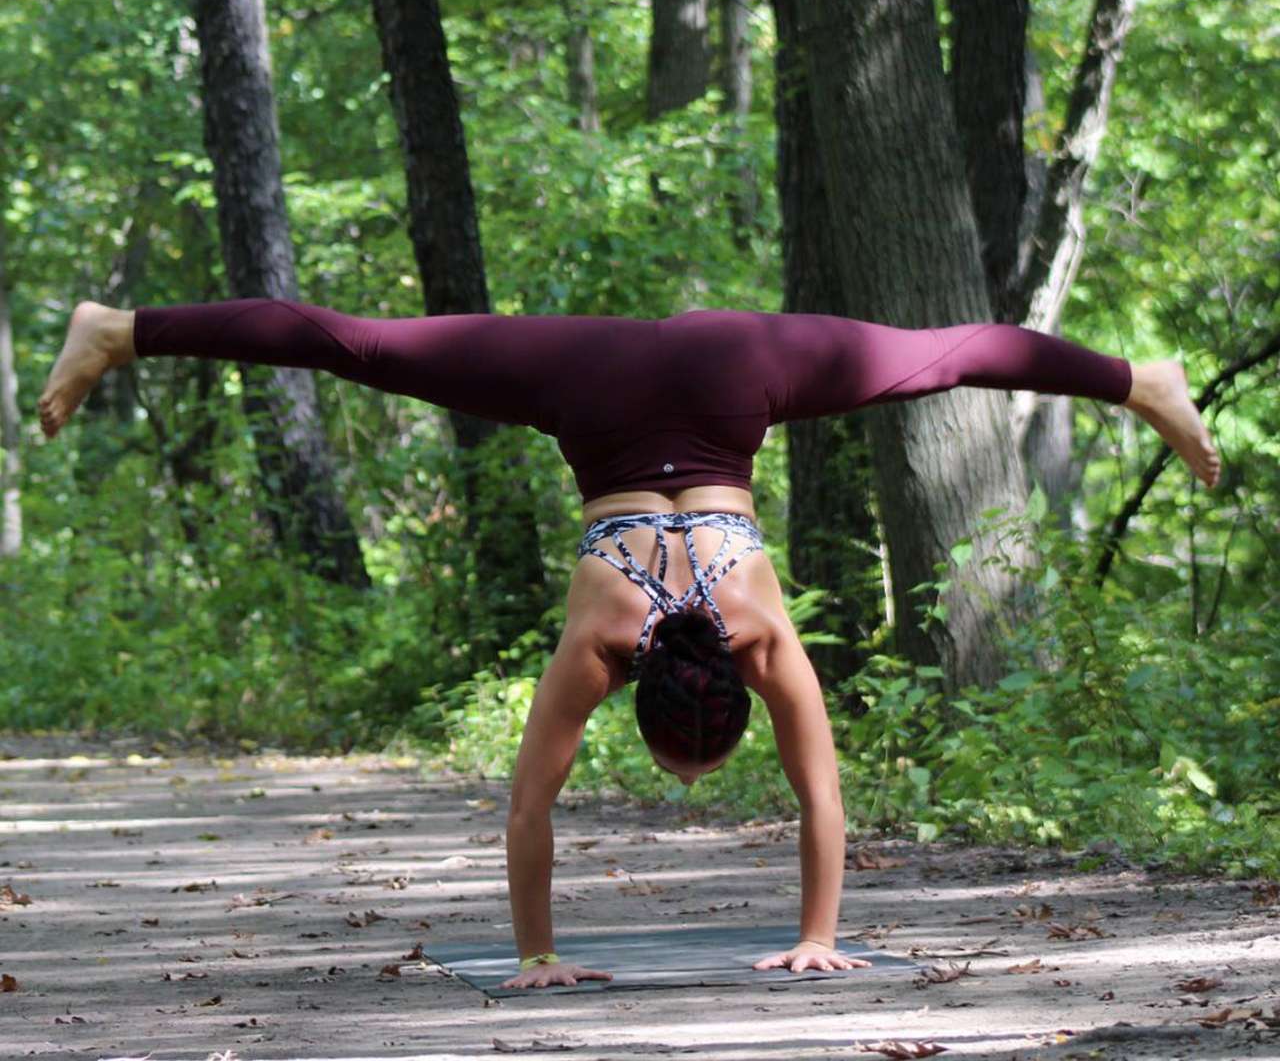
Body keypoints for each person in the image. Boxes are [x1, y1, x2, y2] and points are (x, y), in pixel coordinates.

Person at [37, 299, 1220, 989]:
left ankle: (121, 327)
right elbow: (524, 811)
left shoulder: (752, 632)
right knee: (363, 348)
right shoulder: (599, 642)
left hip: (722, 375)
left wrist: (819, 934)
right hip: (600, 388)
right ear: (640, 694)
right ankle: (1138, 377)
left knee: (942, 357)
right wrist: (535, 954)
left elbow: (822, 799)